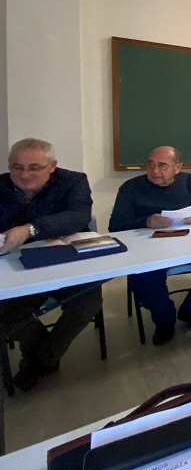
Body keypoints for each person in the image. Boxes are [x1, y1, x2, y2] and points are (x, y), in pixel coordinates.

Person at [0, 138, 102, 391]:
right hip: (16, 267)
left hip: (66, 262)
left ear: (53, 166)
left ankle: (40, 360)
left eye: (34, 168)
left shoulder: (73, 181)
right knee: (7, 314)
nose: (25, 175)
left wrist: (31, 229)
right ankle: (44, 355)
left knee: (87, 303)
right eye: (17, 167)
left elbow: (78, 216)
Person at [109, 146, 191, 345]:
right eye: (150, 164)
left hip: (190, 243)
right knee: (144, 275)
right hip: (148, 247)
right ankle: (164, 320)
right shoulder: (131, 188)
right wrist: (146, 221)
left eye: (162, 165)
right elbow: (115, 226)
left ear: (178, 167)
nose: (154, 170)